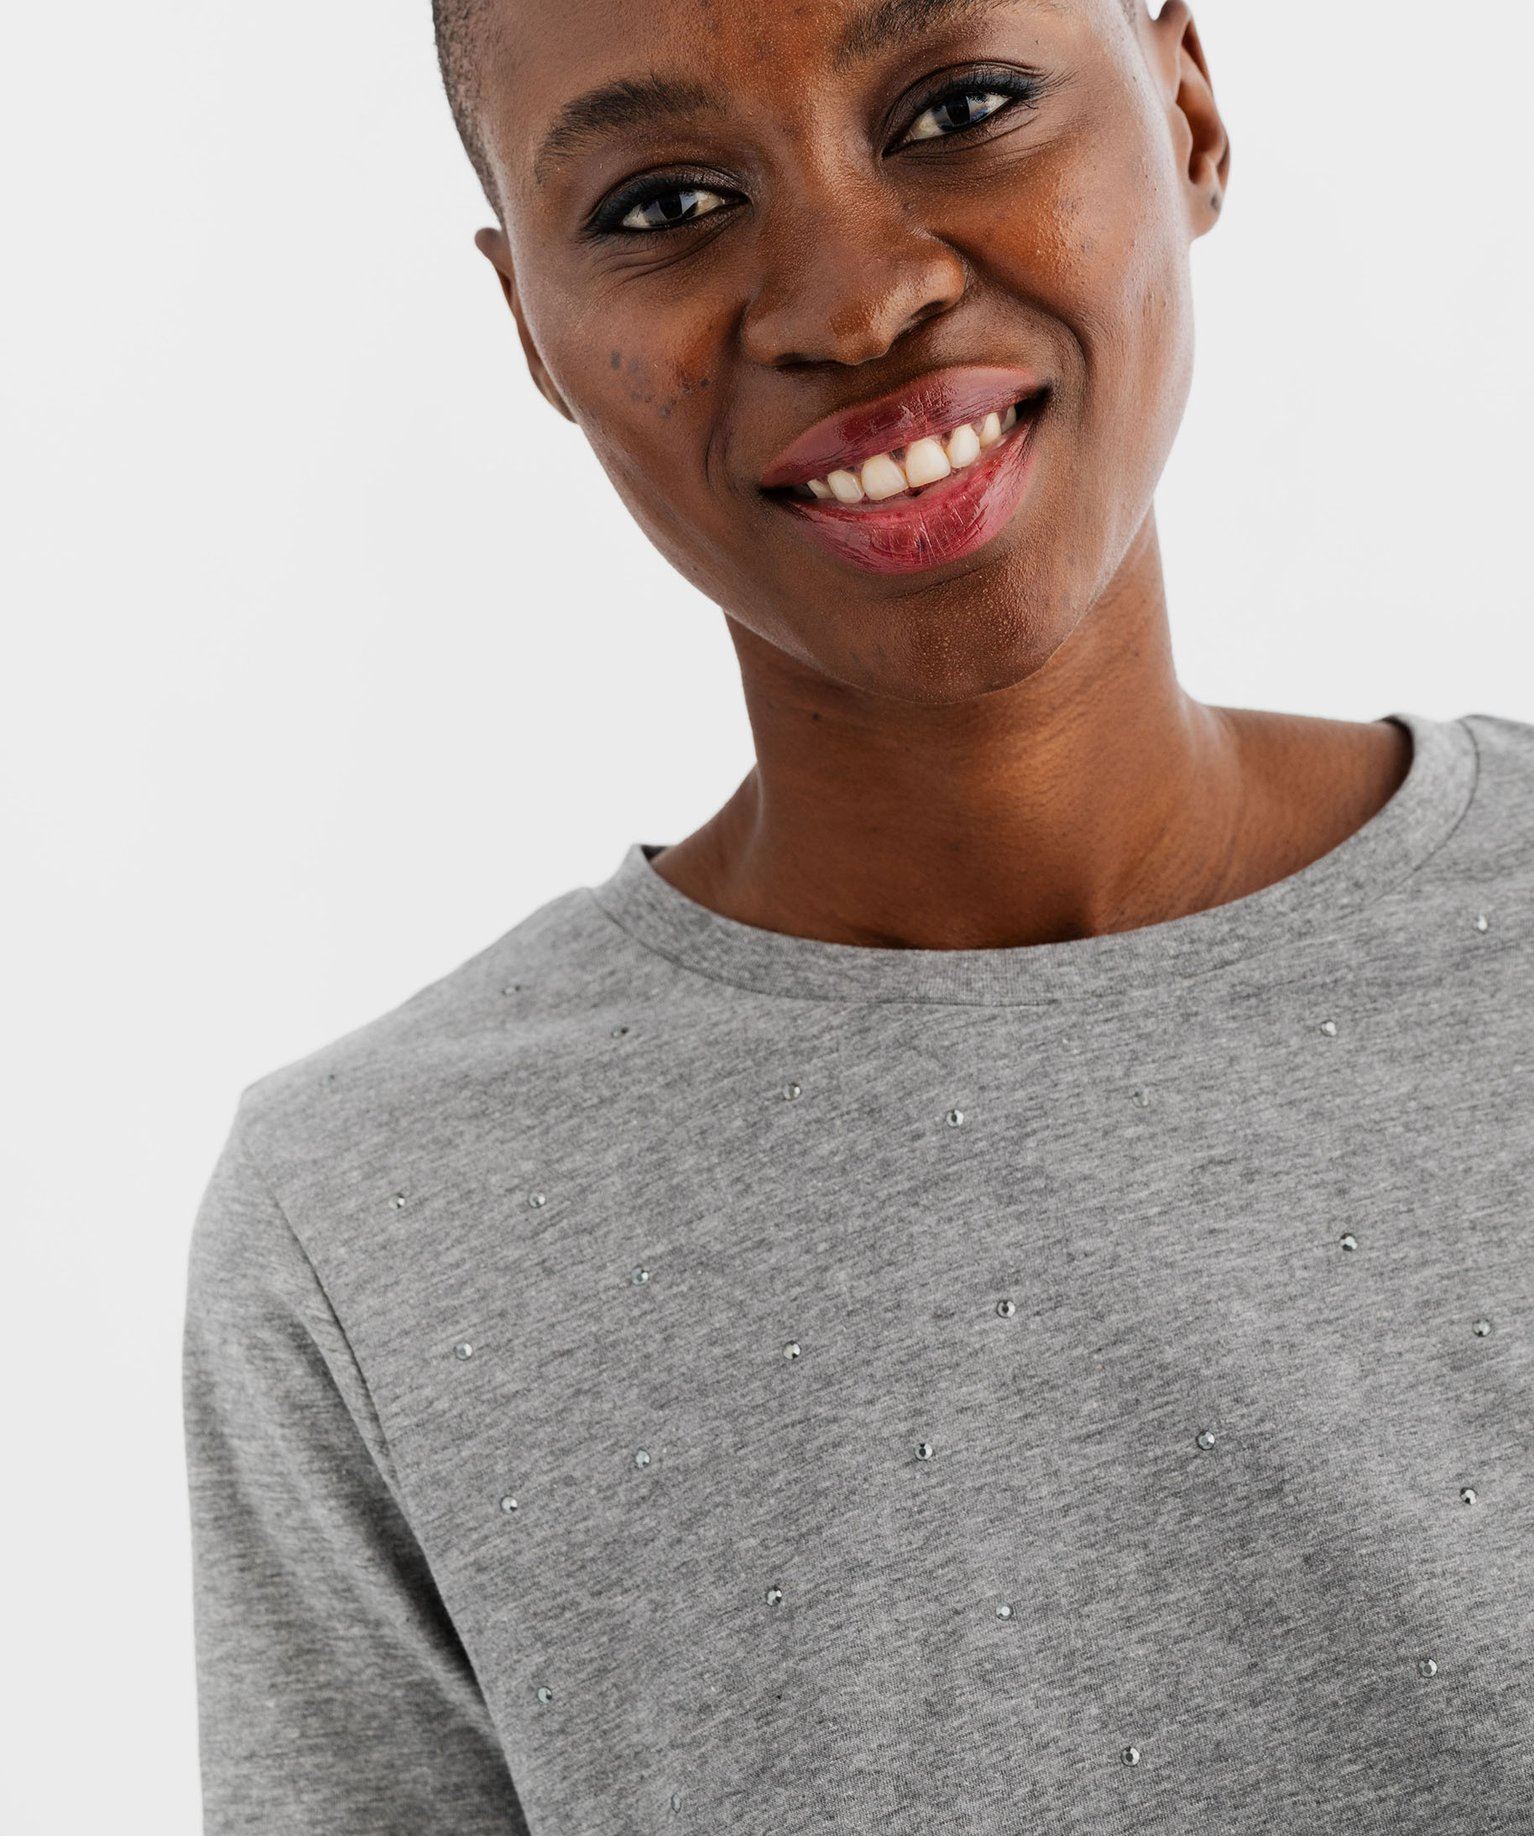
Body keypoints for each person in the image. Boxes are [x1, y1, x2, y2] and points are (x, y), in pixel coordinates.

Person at [181, 1, 1534, 1829]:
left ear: (1186, 110)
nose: (853, 297)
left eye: (960, 105)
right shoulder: (368, 1222)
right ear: (529, 330)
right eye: (662, 206)